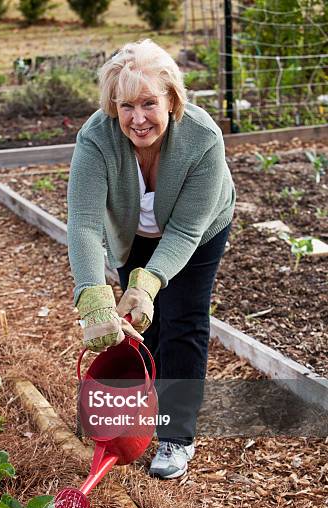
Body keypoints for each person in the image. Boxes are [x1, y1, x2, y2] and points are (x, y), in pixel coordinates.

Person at [67, 39, 235, 479]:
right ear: (112, 107)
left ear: (172, 100)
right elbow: (84, 223)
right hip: (131, 235)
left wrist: (148, 283)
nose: (137, 118)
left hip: (197, 234)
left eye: (149, 103)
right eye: (126, 106)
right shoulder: (96, 139)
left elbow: (184, 230)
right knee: (144, 327)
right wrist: (92, 299)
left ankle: (177, 437)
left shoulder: (202, 138)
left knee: (182, 320)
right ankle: (144, 417)